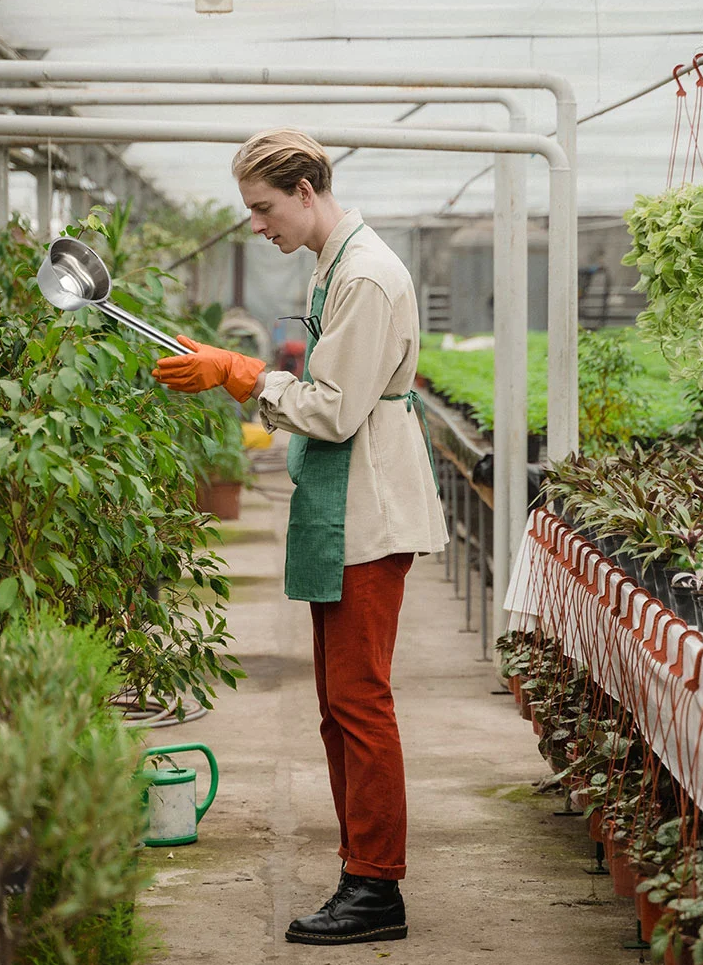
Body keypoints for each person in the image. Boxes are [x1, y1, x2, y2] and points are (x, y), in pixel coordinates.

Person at [153, 128, 448, 946]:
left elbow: (333, 408)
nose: (257, 224)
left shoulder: (367, 276)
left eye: (264, 207)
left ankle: (376, 888)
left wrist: (242, 375)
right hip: (346, 500)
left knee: (360, 703)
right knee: (337, 705)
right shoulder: (335, 264)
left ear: (308, 190)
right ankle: (360, 867)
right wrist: (233, 370)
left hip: (371, 508)